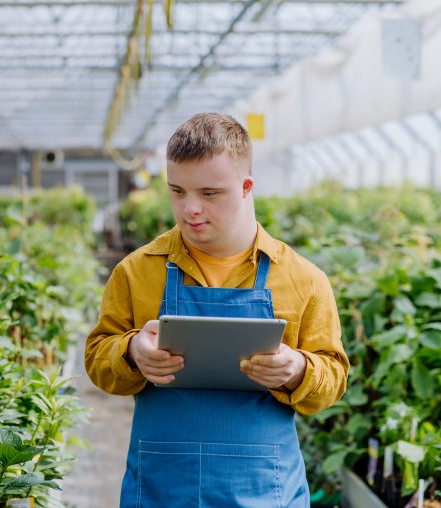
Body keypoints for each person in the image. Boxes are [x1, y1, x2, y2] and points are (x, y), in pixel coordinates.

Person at [85, 113, 349, 507]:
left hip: (263, 491)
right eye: (177, 191)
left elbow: (333, 378)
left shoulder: (301, 279)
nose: (190, 208)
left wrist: (296, 369)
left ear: (246, 187)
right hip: (162, 487)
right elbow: (97, 358)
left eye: (209, 193)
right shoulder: (138, 271)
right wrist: (131, 352)